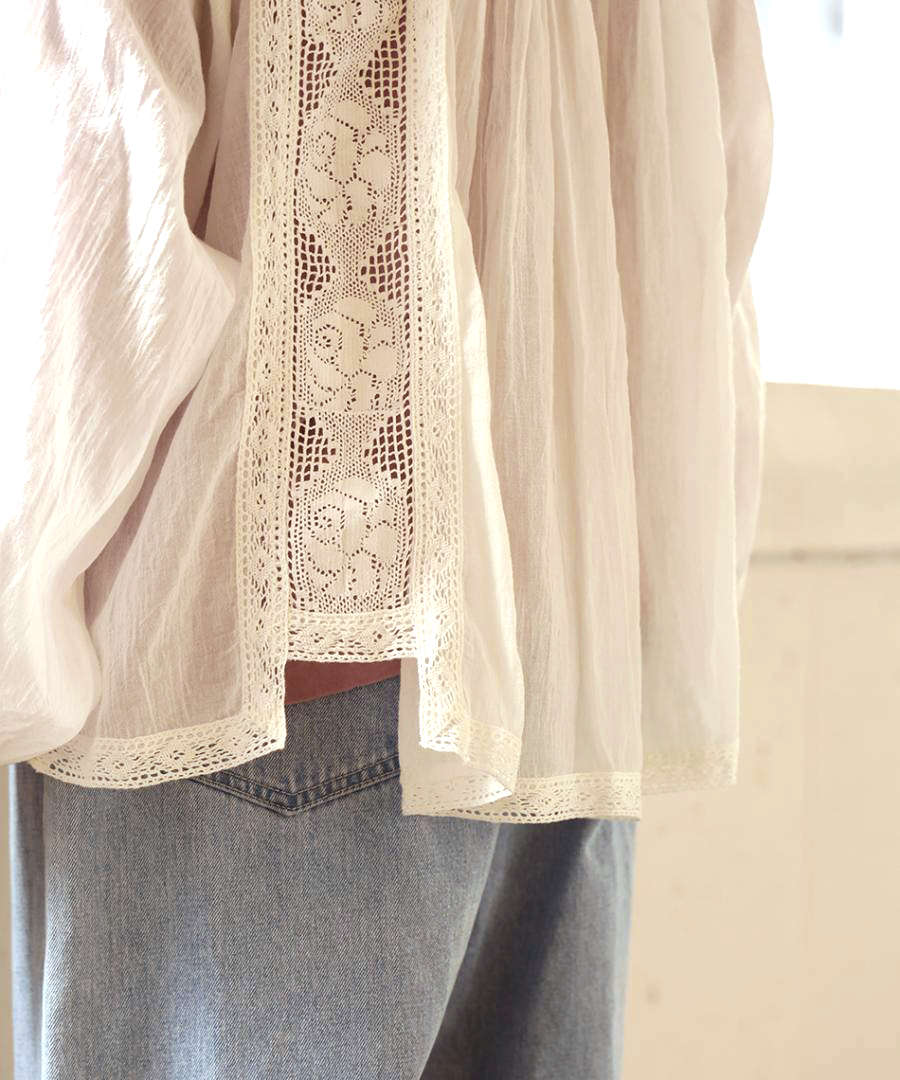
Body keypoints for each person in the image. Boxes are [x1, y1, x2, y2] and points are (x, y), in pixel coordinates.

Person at [1, 0, 773, 1076]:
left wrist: (19, 637)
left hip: (264, 678)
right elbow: (710, 193)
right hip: (566, 665)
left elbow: (101, 207)